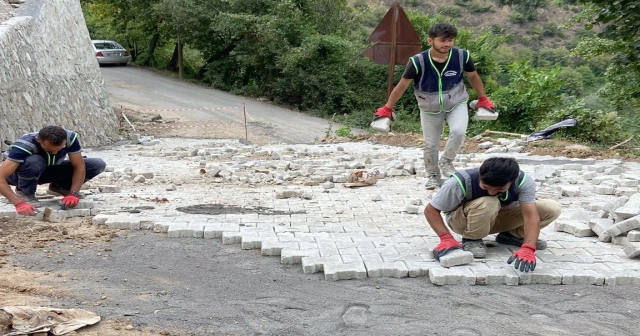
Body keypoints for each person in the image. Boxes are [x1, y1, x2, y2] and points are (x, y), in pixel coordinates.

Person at [374, 23, 495, 190]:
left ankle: (447, 161)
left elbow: (473, 76)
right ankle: (432, 176)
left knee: (458, 131)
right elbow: (402, 86)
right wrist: (387, 108)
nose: (447, 44)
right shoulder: (418, 62)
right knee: (431, 144)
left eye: (450, 40)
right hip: (429, 108)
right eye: (443, 40)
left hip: (456, 102)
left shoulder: (462, 56)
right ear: (431, 40)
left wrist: (483, 98)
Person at [424, 157, 561, 272]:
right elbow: (431, 210)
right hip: (462, 221)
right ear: (480, 176)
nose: (492, 192)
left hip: (494, 216)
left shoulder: (523, 181)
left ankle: (511, 236)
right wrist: (446, 237)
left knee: (550, 208)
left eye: (500, 189)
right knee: (489, 201)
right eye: (486, 187)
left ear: (511, 181)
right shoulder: (458, 182)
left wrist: (528, 247)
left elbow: (530, 216)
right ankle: (472, 239)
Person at [0, 126, 106, 216]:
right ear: (38, 140)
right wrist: (18, 203)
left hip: (45, 170)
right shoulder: (25, 145)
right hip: (17, 175)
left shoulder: (70, 138)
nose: (54, 153)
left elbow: (79, 167)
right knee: (35, 162)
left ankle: (60, 187)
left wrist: (74, 193)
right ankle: (24, 192)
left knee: (96, 164)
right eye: (49, 150)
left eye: (59, 149)